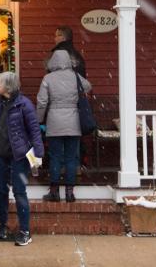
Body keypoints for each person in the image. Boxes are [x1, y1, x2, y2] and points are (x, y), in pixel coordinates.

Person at [0, 71, 44, 247]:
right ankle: (2, 226)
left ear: (7, 86)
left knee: (19, 192)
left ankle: (25, 231)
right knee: (1, 191)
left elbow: (34, 130)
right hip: (0, 155)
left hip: (19, 156)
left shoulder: (25, 105)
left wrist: (38, 154)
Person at [36, 50, 92, 203]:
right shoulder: (75, 77)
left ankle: (54, 192)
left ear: (52, 62)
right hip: (74, 122)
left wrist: (39, 120)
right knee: (71, 158)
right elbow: (87, 86)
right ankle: (69, 193)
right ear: (69, 61)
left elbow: (41, 102)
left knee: (55, 157)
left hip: (54, 122)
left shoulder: (48, 78)